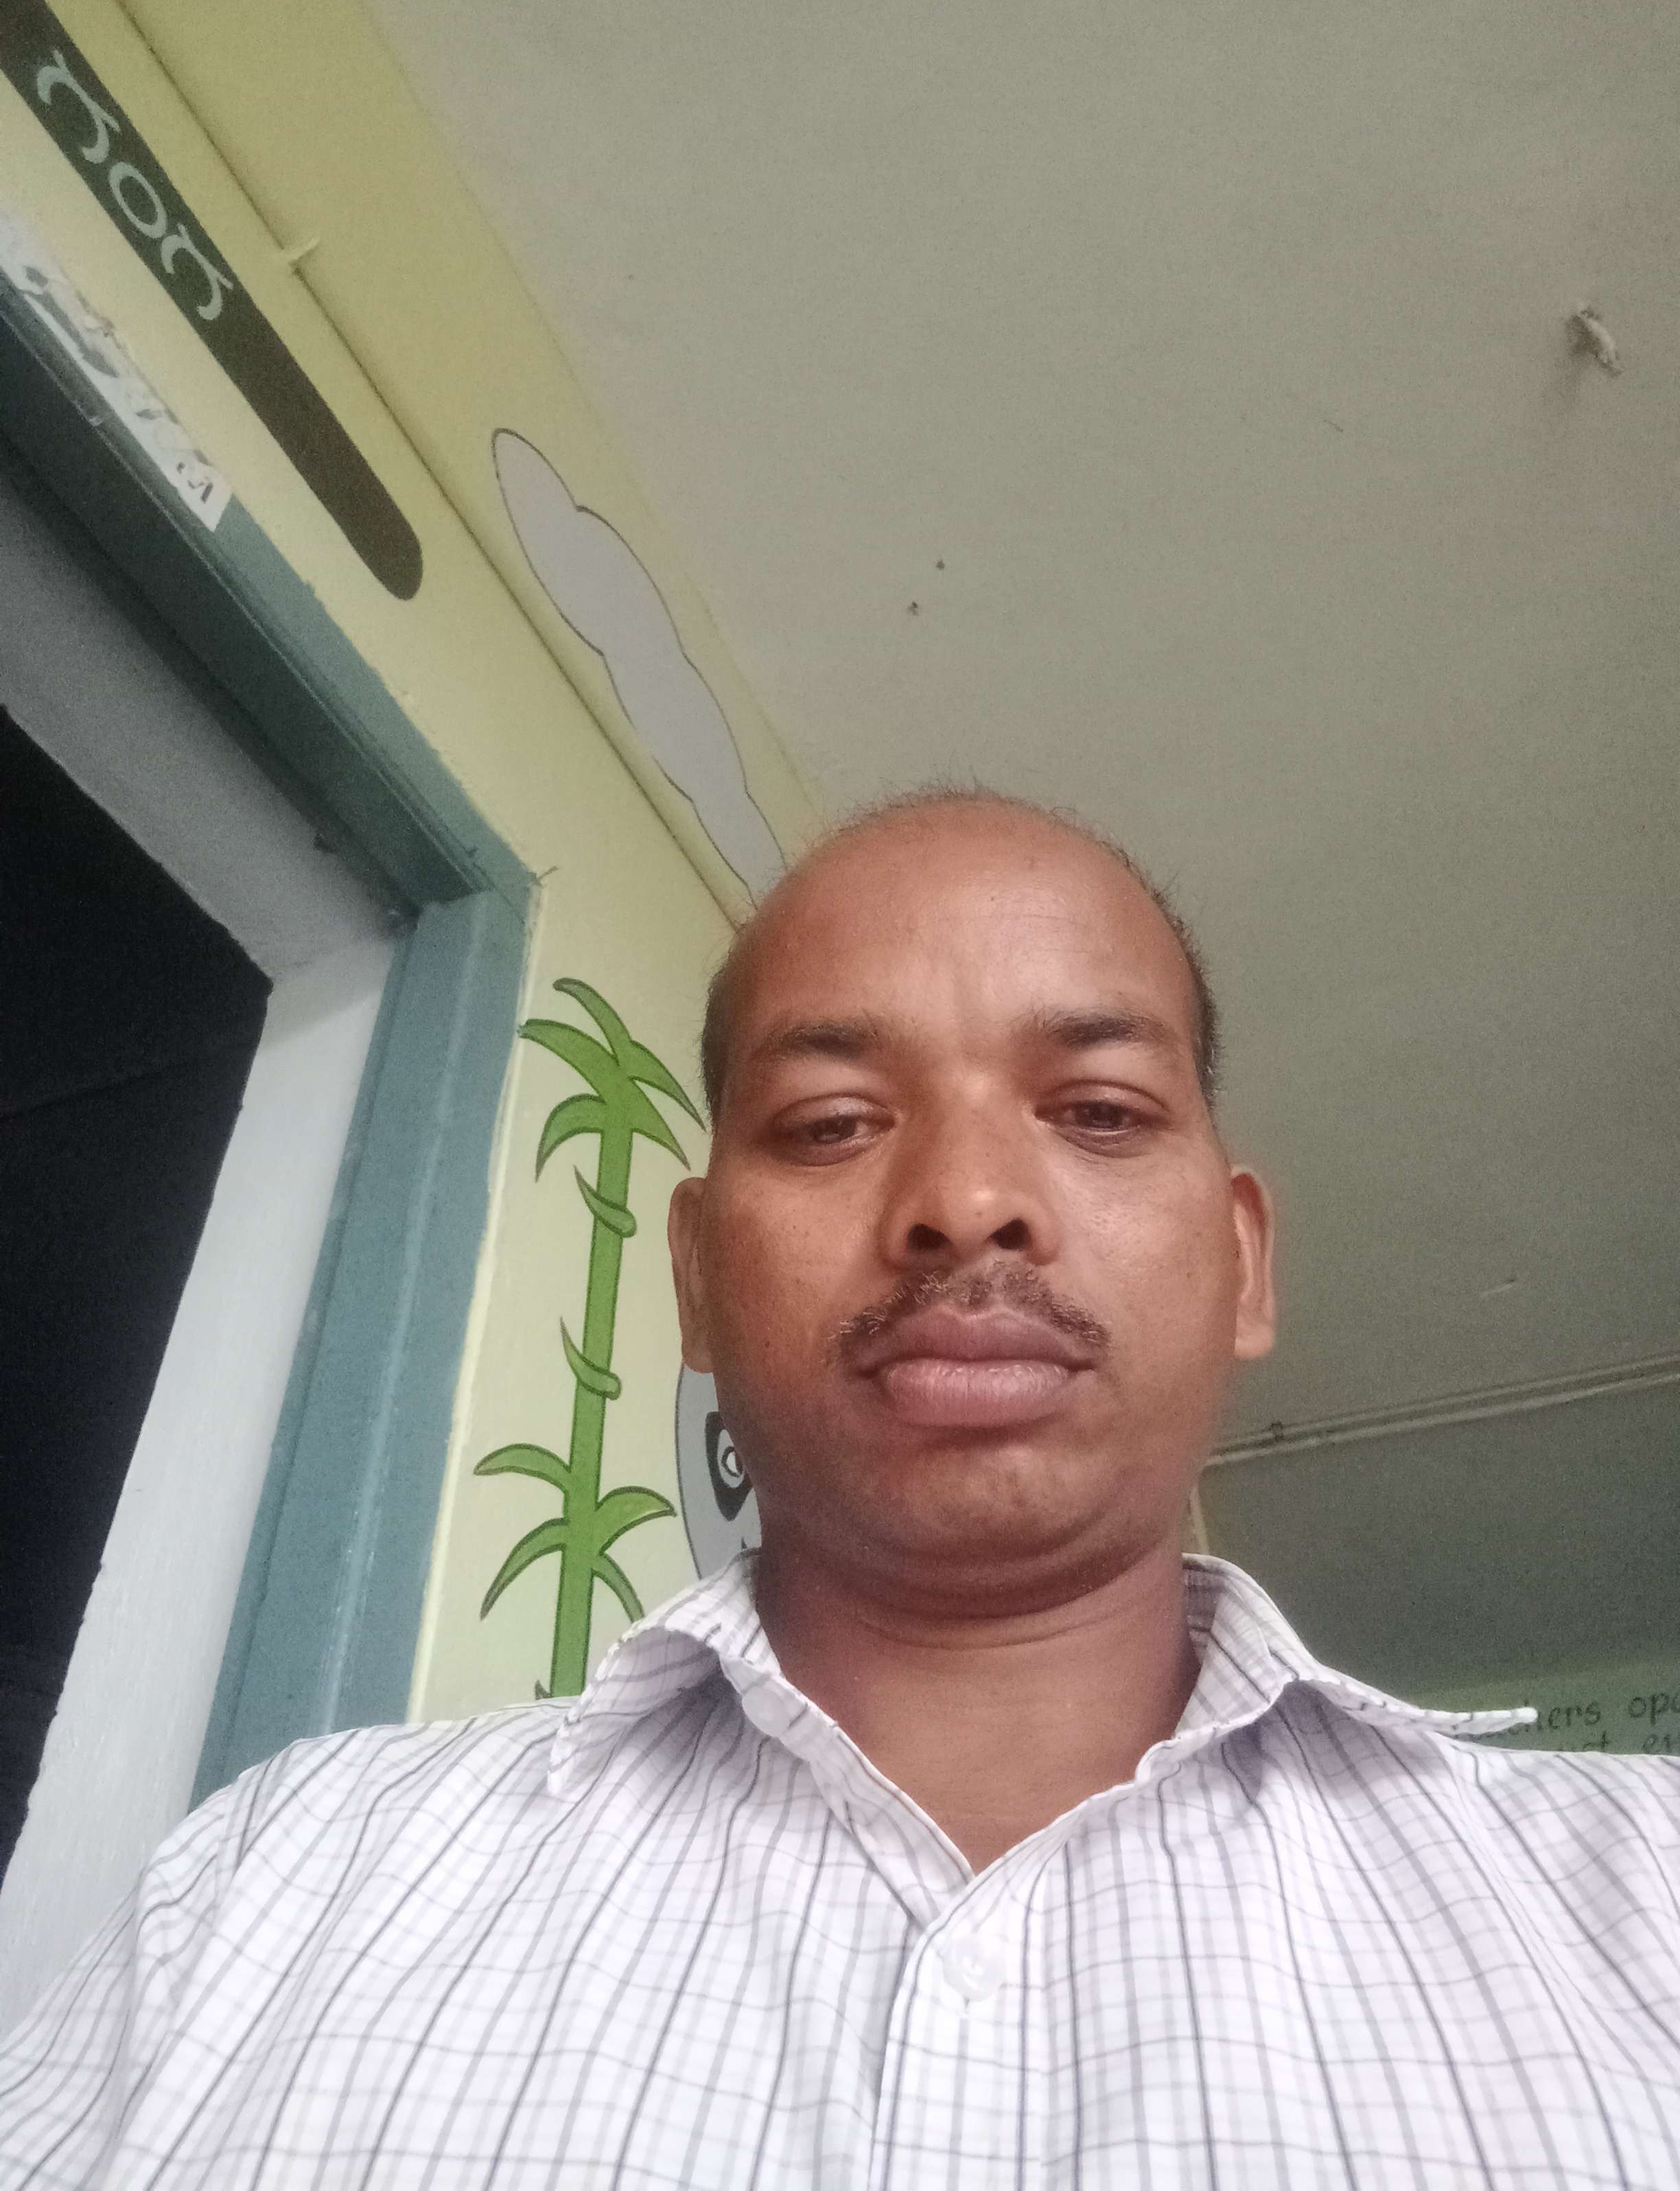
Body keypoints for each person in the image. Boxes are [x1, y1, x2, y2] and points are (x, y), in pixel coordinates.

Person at [2, 788, 1677, 2188]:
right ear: (697, 1281)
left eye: (1098, 1111)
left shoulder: (1643, 1899)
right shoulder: (290, 1877)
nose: (966, 1200)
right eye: (828, 1124)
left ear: (1242, 1262)